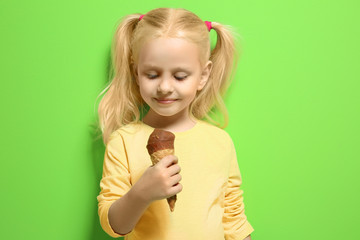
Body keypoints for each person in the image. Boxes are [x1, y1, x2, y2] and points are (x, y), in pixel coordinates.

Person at [96, 7, 254, 240]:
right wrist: (142, 193)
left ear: (203, 75)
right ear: (136, 71)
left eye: (179, 76)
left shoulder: (220, 142)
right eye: (152, 74)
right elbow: (114, 226)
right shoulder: (124, 141)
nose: (165, 87)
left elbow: (233, 219)